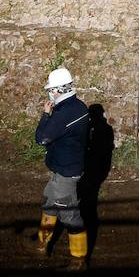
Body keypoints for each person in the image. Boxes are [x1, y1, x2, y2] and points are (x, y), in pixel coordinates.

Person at [31, 66, 90, 266]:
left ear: (58, 90)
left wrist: (46, 115)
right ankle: (42, 243)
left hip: (66, 171)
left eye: (51, 89)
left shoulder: (62, 113)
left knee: (70, 215)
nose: (50, 93)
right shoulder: (80, 107)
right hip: (67, 167)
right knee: (49, 201)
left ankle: (78, 258)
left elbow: (41, 138)